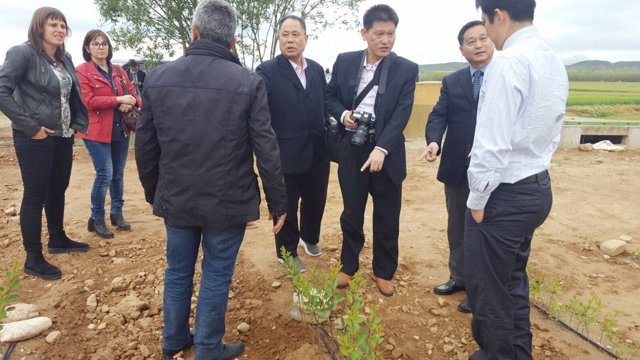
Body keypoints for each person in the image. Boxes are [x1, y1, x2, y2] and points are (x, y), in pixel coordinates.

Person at [134, 1, 287, 359]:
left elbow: (145, 147)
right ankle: (206, 348)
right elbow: (267, 148)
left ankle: (173, 341)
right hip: (227, 201)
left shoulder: (157, 77)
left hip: (177, 198)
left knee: (177, 271)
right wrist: (278, 202)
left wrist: (154, 191)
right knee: (216, 274)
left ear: (194, 33)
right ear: (232, 41)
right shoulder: (249, 83)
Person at [465, 0, 569, 359]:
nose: (487, 36)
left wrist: (477, 200)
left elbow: (491, 143)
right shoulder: (551, 58)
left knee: (489, 292)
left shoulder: (508, 62)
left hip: (504, 195)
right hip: (537, 186)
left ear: (499, 15)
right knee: (512, 283)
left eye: (485, 23)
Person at [326, 4, 418, 297]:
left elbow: (401, 114)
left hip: (387, 152)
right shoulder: (344, 61)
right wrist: (344, 115)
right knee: (352, 211)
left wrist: (381, 148)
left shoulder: (406, 69)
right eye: (379, 33)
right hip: (352, 148)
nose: (386, 40)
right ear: (364, 33)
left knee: (387, 215)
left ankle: (383, 271)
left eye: (391, 34)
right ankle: (348, 265)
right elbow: (329, 96)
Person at [0, 7, 90, 280]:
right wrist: (31, 127)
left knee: (57, 189)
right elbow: (2, 91)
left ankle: (58, 239)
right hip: (35, 136)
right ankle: (33, 257)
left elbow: (70, 95)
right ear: (39, 27)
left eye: (63, 25)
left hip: (62, 135)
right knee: (35, 195)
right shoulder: (23, 53)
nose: (60, 29)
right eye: (53, 24)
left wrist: (74, 124)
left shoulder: (65, 59)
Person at [420, 20, 494, 314]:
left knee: (485, 229)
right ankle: (459, 278)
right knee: (457, 226)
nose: (478, 45)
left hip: (493, 169)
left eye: (483, 38)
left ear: (492, 42)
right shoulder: (452, 81)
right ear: (461, 49)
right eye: (471, 41)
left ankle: (482, 289)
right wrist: (434, 141)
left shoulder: (505, 76)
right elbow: (439, 115)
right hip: (458, 167)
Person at [256, 15, 329, 272]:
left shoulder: (317, 70)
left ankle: (310, 238)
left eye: (295, 34)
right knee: (286, 203)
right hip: (284, 152)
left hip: (317, 150)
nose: (290, 40)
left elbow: (325, 103)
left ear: (305, 39)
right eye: (285, 35)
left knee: (315, 199)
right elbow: (261, 112)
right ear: (278, 40)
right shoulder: (266, 71)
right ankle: (286, 251)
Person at [75, 30, 140, 239]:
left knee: (118, 174)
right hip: (95, 131)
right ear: (88, 48)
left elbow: (134, 96)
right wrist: (118, 100)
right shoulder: (82, 71)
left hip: (120, 129)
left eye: (104, 44)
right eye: (96, 43)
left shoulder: (119, 70)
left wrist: (128, 101)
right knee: (105, 174)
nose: (101, 47)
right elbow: (88, 101)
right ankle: (97, 218)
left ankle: (116, 213)